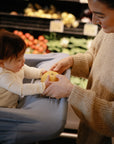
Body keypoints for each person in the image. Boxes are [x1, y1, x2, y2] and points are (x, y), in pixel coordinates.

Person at [43, 0, 114, 144]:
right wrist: (72, 62)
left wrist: (72, 92)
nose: (94, 21)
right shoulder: (109, 31)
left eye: (100, 14)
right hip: (90, 133)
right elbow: (94, 55)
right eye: (92, 12)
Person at [0, 29, 46, 108]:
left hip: (14, 101)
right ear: (1, 63)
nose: (23, 61)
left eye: (23, 56)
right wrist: (43, 87)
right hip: (5, 110)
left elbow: (27, 71)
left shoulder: (15, 67)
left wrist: (41, 73)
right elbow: (21, 89)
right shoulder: (3, 77)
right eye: (18, 60)